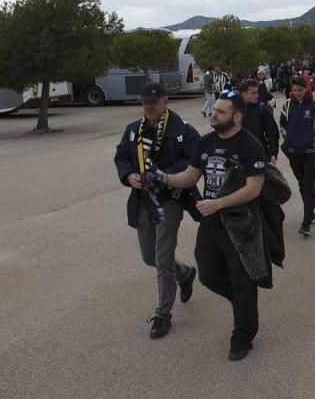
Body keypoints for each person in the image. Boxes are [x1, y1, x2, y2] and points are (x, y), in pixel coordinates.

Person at [147, 93, 272, 361]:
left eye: (221, 112)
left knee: (242, 280)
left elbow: (253, 189)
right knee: (208, 274)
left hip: (241, 224)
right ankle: (243, 303)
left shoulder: (251, 146)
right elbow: (190, 176)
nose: (213, 115)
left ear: (237, 116)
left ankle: (243, 335)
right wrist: (164, 177)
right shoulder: (205, 143)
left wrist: (219, 203)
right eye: (214, 110)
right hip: (211, 222)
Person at [113, 82, 201, 339]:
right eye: (144, 103)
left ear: (165, 102)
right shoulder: (133, 132)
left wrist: (163, 176)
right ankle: (185, 274)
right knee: (149, 257)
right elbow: (121, 157)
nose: (148, 107)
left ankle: (163, 314)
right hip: (143, 201)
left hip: (170, 199)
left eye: (153, 102)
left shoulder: (183, 131)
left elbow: (192, 162)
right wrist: (128, 174)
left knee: (163, 258)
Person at [280, 76, 315, 236]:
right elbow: (282, 124)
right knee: (302, 185)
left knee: (308, 185)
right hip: (293, 153)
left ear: (306, 89)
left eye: (300, 90)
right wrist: (289, 138)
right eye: (294, 90)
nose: (298, 93)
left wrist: (312, 139)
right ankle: (311, 212)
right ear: (291, 90)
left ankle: (306, 221)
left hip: (311, 153)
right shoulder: (286, 105)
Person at [238, 79, 280, 165]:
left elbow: (272, 132)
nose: (257, 95)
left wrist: (273, 153)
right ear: (243, 94)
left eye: (257, 92)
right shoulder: (233, 109)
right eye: (253, 93)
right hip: (238, 157)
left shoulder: (261, 108)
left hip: (260, 155)